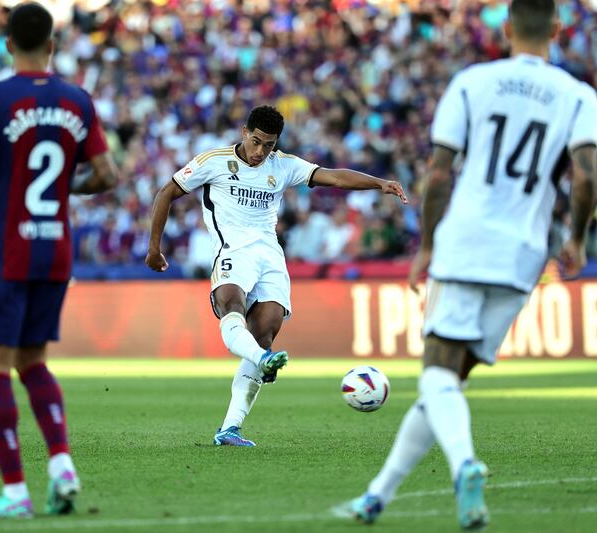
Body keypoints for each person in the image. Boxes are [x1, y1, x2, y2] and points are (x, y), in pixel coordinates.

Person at [338, 0, 597, 528]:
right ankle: (375, 498)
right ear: (556, 29)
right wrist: (576, 237)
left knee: (436, 372)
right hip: (524, 254)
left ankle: (464, 466)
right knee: (448, 383)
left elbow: (438, 176)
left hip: (469, 241)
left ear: (505, 29)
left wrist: (429, 246)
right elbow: (587, 175)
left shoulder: (472, 83)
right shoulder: (579, 95)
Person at [0, 2, 117, 519]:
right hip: (55, 246)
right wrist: (66, 190)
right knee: (33, 361)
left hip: (5, 246)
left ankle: (16, 491)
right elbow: (107, 175)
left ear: (8, 43)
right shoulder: (77, 100)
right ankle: (61, 464)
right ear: (52, 45)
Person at [145, 105, 407, 447]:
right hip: (232, 252)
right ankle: (263, 361)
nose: (260, 152)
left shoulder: (283, 165)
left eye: (268, 145)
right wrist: (154, 247)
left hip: (270, 257)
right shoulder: (214, 161)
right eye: (256, 142)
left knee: (263, 333)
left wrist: (379, 183)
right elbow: (167, 192)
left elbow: (335, 177)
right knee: (231, 306)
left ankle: (230, 428)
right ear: (244, 132)